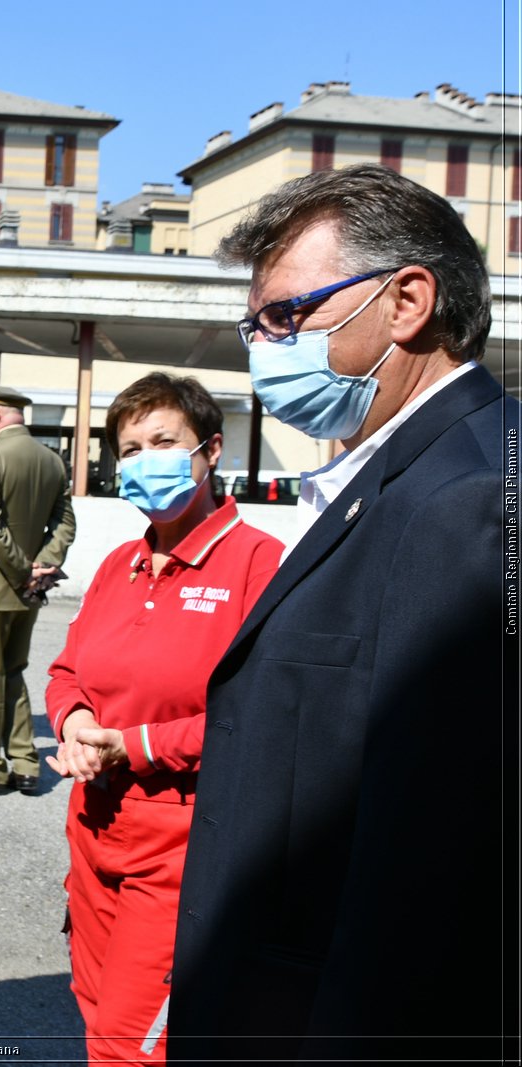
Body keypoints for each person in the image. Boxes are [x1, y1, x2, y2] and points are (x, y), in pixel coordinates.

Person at [169, 164, 519, 1061]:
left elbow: (434, 865)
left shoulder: (472, 497)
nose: (264, 346)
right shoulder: (401, 472)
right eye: (255, 324)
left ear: (406, 302)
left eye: (287, 314)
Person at [44, 373, 282, 1064]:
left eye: (163, 441)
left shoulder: (257, 563)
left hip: (183, 842)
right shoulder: (120, 562)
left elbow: (259, 714)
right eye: (130, 446)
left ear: (210, 450)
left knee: (134, 1043)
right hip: (94, 827)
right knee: (94, 1012)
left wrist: (136, 744)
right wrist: (75, 722)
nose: (145, 457)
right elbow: (66, 673)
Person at [0, 383, 76, 794]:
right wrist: (44, 564)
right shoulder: (52, 460)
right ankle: (25, 762)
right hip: (32, 590)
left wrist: (22, 569)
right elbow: (65, 521)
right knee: (13, 672)